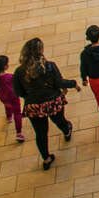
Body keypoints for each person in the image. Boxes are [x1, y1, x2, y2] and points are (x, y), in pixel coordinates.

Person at [12, 38, 77, 171]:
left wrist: (30, 97)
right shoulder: (49, 66)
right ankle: (66, 131)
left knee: (41, 133)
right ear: (41, 51)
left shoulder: (19, 72)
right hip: (52, 102)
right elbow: (59, 83)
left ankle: (46, 158)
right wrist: (73, 83)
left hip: (34, 107)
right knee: (60, 121)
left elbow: (18, 91)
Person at [0, 55, 24, 143]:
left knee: (7, 106)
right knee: (17, 113)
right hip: (13, 98)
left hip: (3, 98)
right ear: (5, 66)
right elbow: (17, 86)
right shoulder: (10, 77)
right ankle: (19, 133)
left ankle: (9, 116)